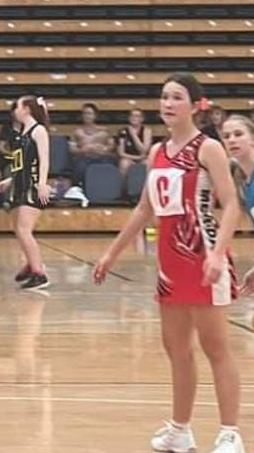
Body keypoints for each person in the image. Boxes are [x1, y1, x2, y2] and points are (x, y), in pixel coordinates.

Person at [94, 74, 244, 453]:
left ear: (195, 105)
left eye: (177, 97)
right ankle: (180, 429)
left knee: (216, 347)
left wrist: (216, 254)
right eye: (163, 97)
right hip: (169, 263)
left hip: (204, 256)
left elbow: (231, 207)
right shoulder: (157, 151)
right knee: (176, 348)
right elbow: (145, 209)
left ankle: (230, 433)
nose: (167, 103)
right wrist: (111, 253)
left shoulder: (207, 148)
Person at [0, 96, 52, 291]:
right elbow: (21, 165)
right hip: (20, 184)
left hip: (32, 186)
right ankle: (30, 263)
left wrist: (42, 184)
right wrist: (8, 181)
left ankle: (39, 273)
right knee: (19, 229)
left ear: (27, 109)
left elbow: (44, 160)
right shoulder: (20, 133)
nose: (14, 110)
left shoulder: (39, 131)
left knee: (24, 229)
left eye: (17, 106)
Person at [70, 103, 116, 184]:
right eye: (85, 113)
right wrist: (82, 150)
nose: (87, 116)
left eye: (89, 113)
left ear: (95, 116)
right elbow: (72, 148)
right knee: (79, 165)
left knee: (110, 162)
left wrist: (104, 149)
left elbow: (112, 146)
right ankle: (79, 186)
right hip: (84, 158)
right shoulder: (77, 132)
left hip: (102, 157)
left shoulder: (104, 131)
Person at [118, 107, 154, 175]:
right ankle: (123, 185)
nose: (134, 118)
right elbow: (121, 152)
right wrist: (136, 157)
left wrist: (133, 135)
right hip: (129, 157)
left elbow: (144, 150)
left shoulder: (147, 131)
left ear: (142, 119)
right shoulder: (123, 131)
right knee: (124, 163)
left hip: (143, 158)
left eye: (137, 116)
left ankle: (147, 185)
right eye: (132, 115)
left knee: (147, 163)